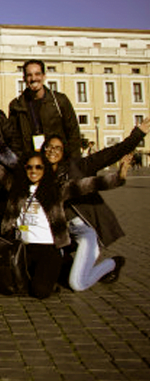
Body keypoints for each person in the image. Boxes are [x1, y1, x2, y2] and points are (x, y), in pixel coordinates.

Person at [0, 138, 130, 299]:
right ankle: (53, 273)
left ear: (45, 169)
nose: (34, 171)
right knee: (14, 286)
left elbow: (88, 185)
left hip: (49, 249)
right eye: (29, 167)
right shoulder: (16, 186)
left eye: (39, 167)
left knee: (40, 292)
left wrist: (118, 177)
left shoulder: (56, 190)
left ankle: (60, 270)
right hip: (22, 248)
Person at [42, 116, 149, 290]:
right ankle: (69, 263)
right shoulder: (38, 173)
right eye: (49, 147)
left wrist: (137, 135)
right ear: (43, 149)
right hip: (60, 234)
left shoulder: (77, 167)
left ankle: (113, 263)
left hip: (84, 230)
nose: (52, 151)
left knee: (77, 283)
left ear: (64, 152)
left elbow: (110, 154)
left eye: (57, 148)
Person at [9, 59, 81, 158]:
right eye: (29, 75)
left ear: (44, 76)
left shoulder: (59, 101)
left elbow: (73, 134)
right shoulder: (16, 105)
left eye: (37, 74)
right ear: (24, 78)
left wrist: (74, 164)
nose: (33, 78)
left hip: (58, 161)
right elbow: (14, 139)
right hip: (32, 163)